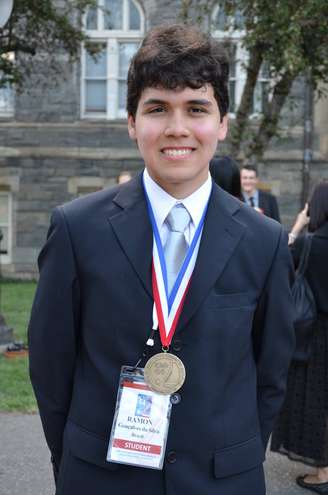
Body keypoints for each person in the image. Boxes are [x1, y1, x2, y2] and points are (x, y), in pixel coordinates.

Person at [28, 24, 295, 495]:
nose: (177, 128)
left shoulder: (264, 240)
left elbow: (271, 373)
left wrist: (238, 458)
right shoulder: (77, 228)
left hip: (221, 482)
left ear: (223, 123)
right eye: (157, 109)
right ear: (132, 122)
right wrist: (72, 460)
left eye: (196, 109)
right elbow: (52, 368)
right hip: (101, 479)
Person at [271, 182, 328, 494]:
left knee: (317, 402)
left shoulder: (309, 244)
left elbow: (280, 258)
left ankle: (323, 472)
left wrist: (297, 225)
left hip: (316, 335)